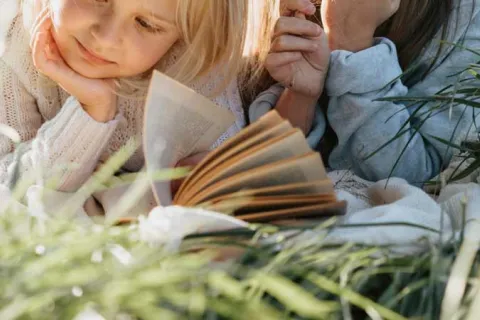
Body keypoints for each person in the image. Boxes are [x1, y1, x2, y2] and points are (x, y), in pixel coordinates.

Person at [0, 0, 276, 194]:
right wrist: (92, 112)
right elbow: (9, 185)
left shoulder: (191, 65)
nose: (106, 38)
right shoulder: (15, 42)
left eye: (146, 24)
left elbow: (226, 178)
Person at [251, 0, 480, 184]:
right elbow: (260, 165)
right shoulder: (264, 9)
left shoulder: (466, 18)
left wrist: (351, 41)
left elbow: (422, 177)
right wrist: (301, 97)